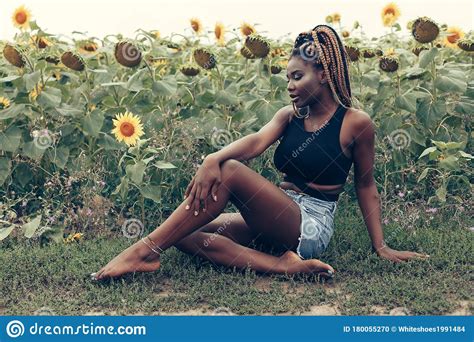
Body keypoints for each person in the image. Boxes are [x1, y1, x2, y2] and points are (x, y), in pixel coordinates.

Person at [90, 24, 429, 282]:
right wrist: (212, 158)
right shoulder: (289, 116)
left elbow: (366, 186)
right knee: (184, 232)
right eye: (287, 79)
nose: (290, 86)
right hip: (277, 215)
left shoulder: (355, 123)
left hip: (310, 226)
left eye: (298, 76)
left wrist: (381, 247)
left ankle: (142, 251)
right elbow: (254, 142)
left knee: (231, 171)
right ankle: (280, 264)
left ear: (324, 75)